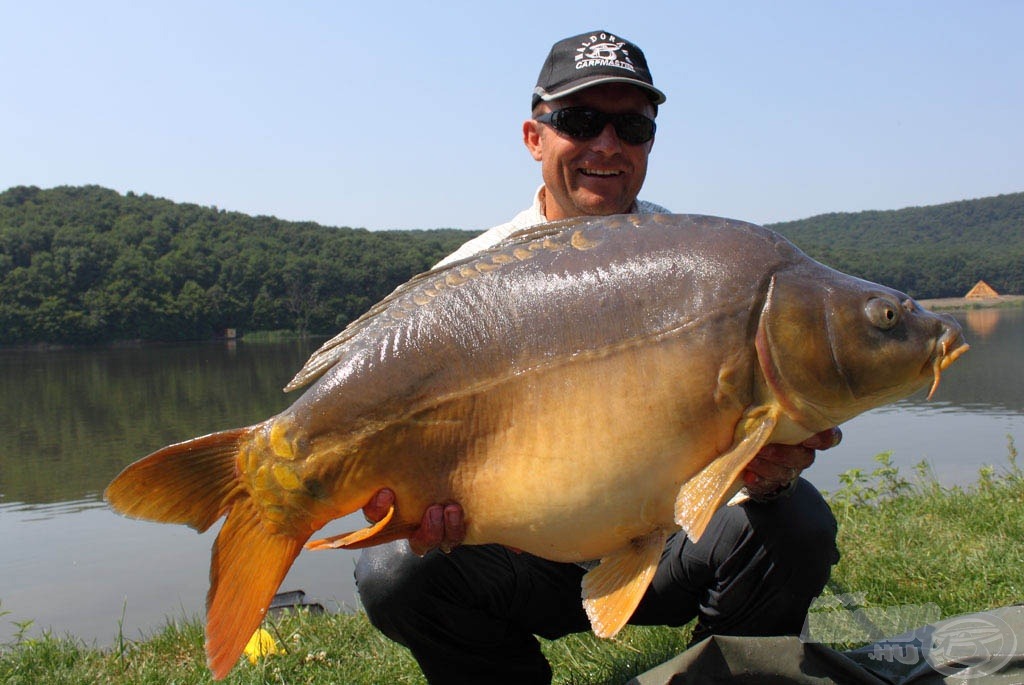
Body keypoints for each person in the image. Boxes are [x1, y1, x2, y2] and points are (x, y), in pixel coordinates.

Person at [354, 30, 842, 684]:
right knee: (394, 574)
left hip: (670, 539)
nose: (607, 145)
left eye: (632, 126)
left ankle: (726, 674)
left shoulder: (702, 264)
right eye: (581, 121)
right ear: (535, 137)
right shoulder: (468, 283)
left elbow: (739, 459)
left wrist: (767, 471)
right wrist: (426, 512)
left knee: (797, 522)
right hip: (526, 550)